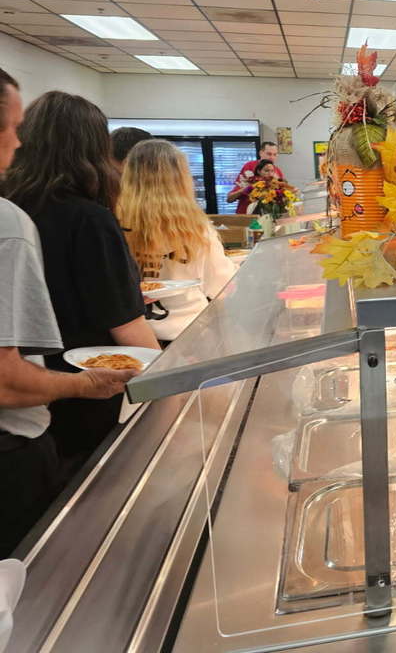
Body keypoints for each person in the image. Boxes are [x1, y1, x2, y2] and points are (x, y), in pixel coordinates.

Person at [0, 69, 135, 557]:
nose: (15, 139)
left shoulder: (15, 201)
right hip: (56, 413)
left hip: (40, 405)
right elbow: (126, 322)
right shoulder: (77, 218)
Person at [3, 90, 159, 470]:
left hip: (27, 394)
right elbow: (125, 325)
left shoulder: (10, 205)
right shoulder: (89, 219)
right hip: (83, 389)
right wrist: (170, 385)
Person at [117, 140, 237, 343]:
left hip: (136, 338)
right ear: (181, 179)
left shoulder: (114, 224)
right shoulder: (196, 228)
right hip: (191, 334)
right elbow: (220, 285)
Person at [227, 140, 284, 214]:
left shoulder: (278, 171)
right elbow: (231, 197)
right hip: (247, 213)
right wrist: (250, 188)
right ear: (261, 153)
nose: (272, 157)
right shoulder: (249, 166)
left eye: (275, 154)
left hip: (268, 214)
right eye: (269, 154)